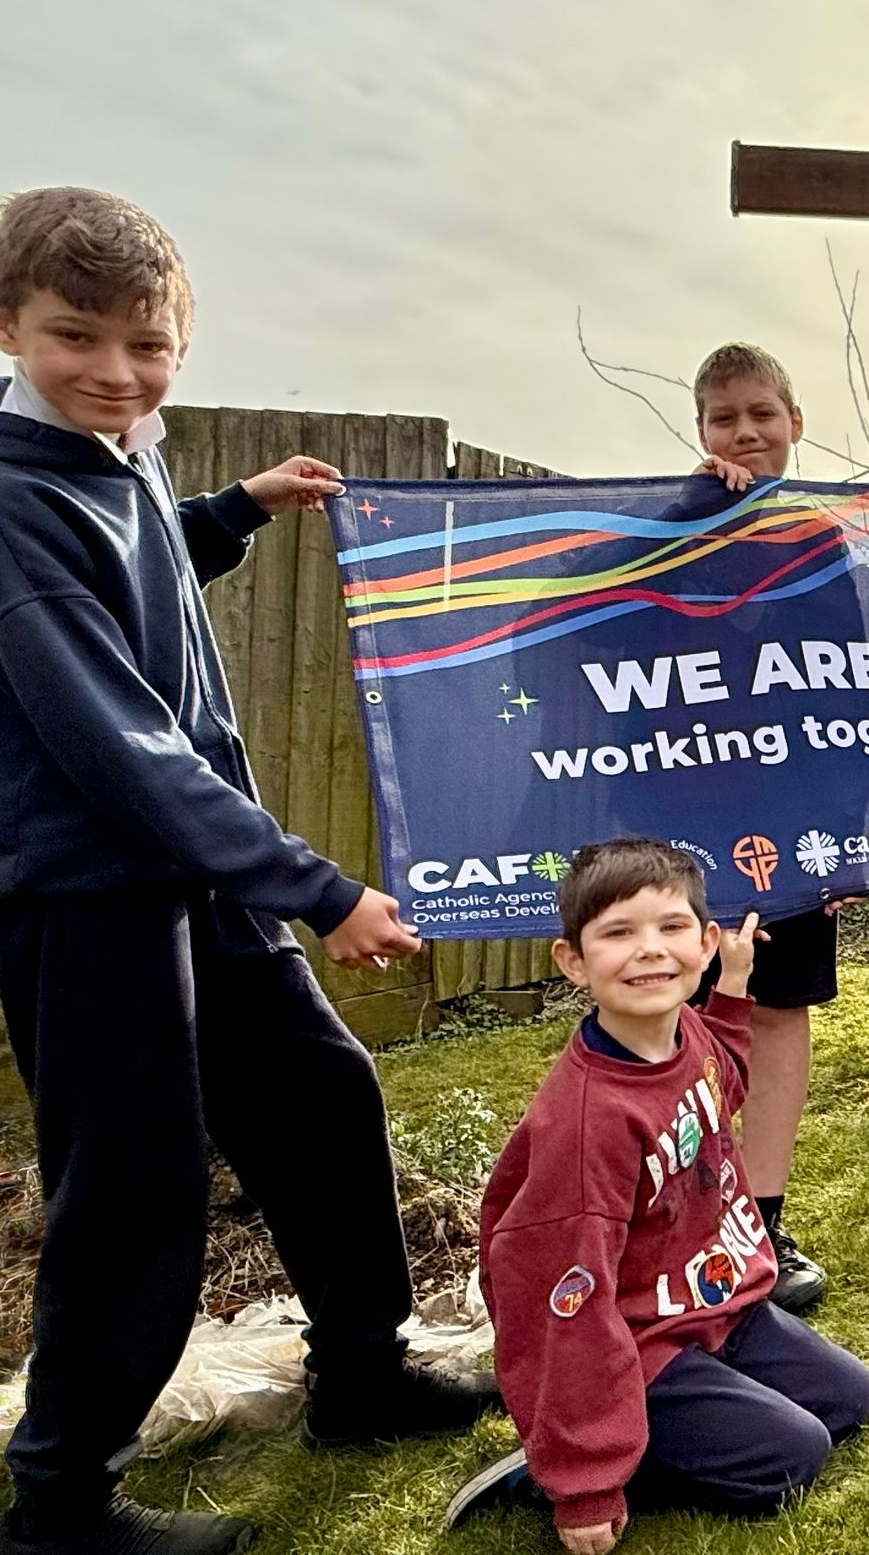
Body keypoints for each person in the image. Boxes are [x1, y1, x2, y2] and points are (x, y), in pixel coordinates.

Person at [0, 187, 498, 1555]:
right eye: (76, 337)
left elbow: (144, 563)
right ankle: (63, 1505)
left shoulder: (116, 456)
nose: (117, 370)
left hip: (196, 873)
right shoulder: (14, 496)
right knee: (134, 1184)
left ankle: (362, 1375)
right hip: (91, 894)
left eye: (148, 343)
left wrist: (235, 509)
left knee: (322, 1096)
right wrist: (318, 889)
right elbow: (122, 749)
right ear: (10, 328)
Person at [459, 839, 869, 1552]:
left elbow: (722, 1083)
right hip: (633, 1341)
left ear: (705, 942)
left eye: (672, 927)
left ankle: (675, 1414)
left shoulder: (686, 1032)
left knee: (846, 1397)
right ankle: (572, 1461)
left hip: (712, 1305)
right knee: (792, 1455)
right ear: (573, 961)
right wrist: (587, 1485)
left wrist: (734, 986)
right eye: (619, 933)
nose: (650, 949)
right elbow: (561, 1309)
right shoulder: (587, 1126)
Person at [670, 341, 845, 1310]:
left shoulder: (820, 539)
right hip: (677, 827)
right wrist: (698, 513)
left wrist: (844, 835)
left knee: (778, 1011)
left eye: (760, 413)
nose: (743, 432)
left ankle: (762, 1219)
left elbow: (850, 692)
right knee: (676, 1012)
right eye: (723, 417)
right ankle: (680, 1218)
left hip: (794, 822)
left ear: (793, 423)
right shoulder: (666, 527)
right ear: (700, 430)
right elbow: (607, 625)